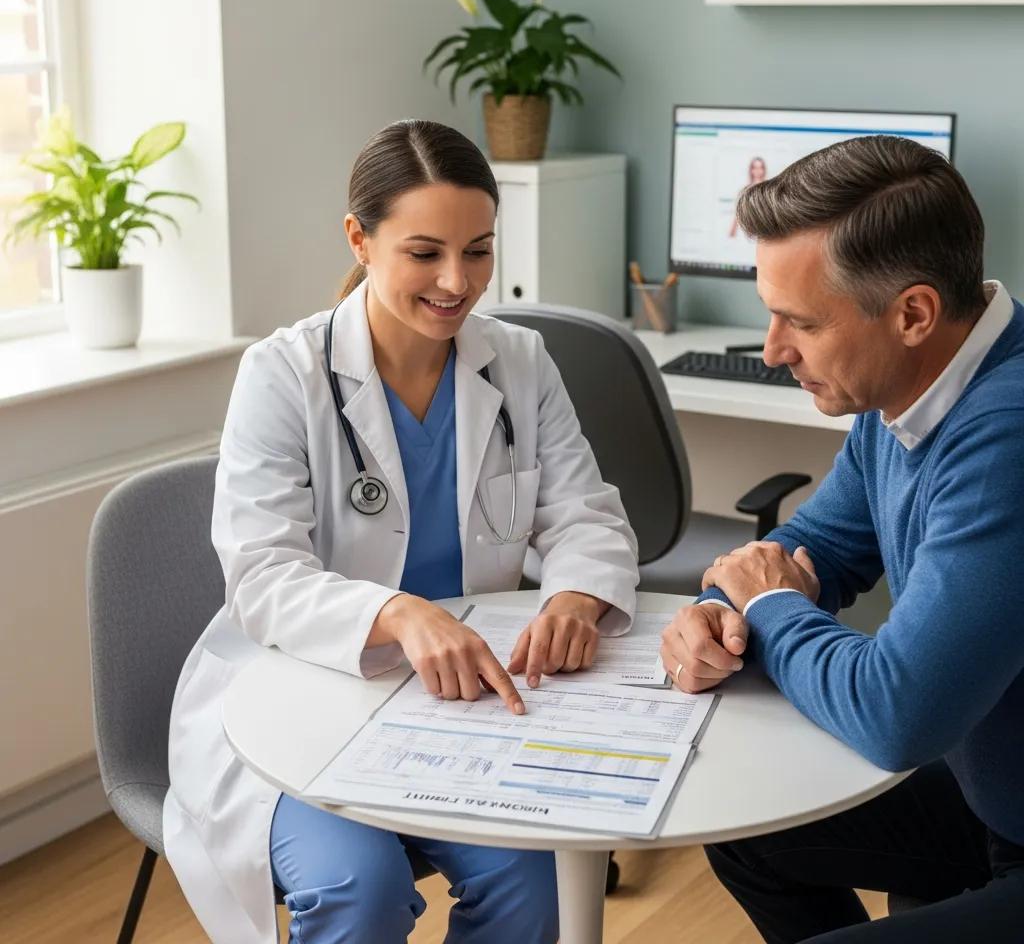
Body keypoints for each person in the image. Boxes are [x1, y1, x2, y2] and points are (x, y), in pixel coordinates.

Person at [163, 119, 640, 944]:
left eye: (479, 250)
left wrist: (573, 595)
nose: (457, 281)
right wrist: (399, 614)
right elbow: (262, 576)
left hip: (459, 702)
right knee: (360, 887)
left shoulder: (518, 362)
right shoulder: (283, 374)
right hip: (304, 692)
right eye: (425, 253)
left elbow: (584, 513)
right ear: (360, 238)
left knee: (540, 877)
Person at [660, 134, 1024, 942]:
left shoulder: (1006, 435)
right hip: (988, 800)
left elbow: (899, 713)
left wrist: (774, 610)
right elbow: (810, 551)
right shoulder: (905, 394)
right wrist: (719, 610)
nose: (772, 350)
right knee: (745, 826)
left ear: (914, 314)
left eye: (801, 322)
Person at [728, 155, 768, 238]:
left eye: (760, 168)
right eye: (755, 168)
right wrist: (733, 230)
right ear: (751, 170)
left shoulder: (768, 189)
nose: (757, 171)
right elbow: (739, 212)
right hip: (748, 232)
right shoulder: (745, 190)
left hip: (763, 231)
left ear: (764, 170)